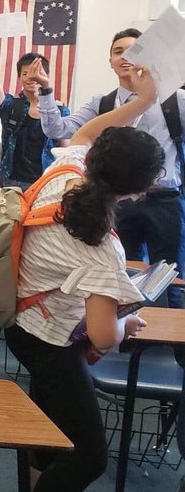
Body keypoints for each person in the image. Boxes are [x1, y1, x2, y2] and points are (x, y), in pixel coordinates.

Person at [0, 66, 163, 492]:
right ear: (135, 191)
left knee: (49, 430)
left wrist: (141, 100)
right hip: (49, 339)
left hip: (22, 321)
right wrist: (127, 320)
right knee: (89, 455)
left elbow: (89, 130)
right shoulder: (102, 248)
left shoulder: (63, 174)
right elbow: (102, 336)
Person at [37, 28, 185, 305]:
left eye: (134, 50)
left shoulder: (175, 101)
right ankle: (128, 339)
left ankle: (173, 347)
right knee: (119, 271)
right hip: (115, 201)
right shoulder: (103, 103)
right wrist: (46, 91)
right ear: (111, 61)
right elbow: (58, 129)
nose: (126, 56)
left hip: (164, 201)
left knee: (170, 278)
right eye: (119, 51)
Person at [0, 35, 70, 189]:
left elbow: (65, 150)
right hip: (12, 180)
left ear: (47, 77)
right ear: (19, 77)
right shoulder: (11, 105)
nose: (32, 78)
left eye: (37, 73)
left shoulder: (60, 110)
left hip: (47, 181)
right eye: (26, 74)